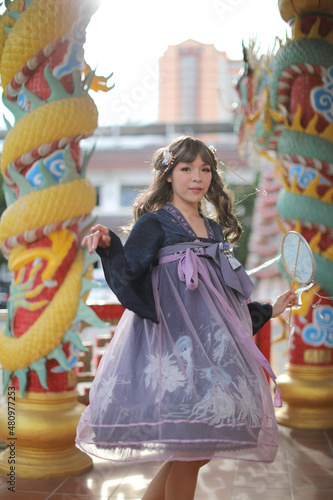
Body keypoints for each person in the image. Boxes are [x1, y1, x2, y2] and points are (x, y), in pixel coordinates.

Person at [76, 136, 297, 500]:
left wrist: (270, 309)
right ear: (168, 175)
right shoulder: (156, 223)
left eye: (205, 169)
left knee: (193, 451)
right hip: (176, 352)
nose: (197, 177)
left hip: (210, 358)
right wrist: (109, 245)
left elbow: (224, 301)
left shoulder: (212, 231)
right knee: (191, 452)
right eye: (186, 169)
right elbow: (129, 274)